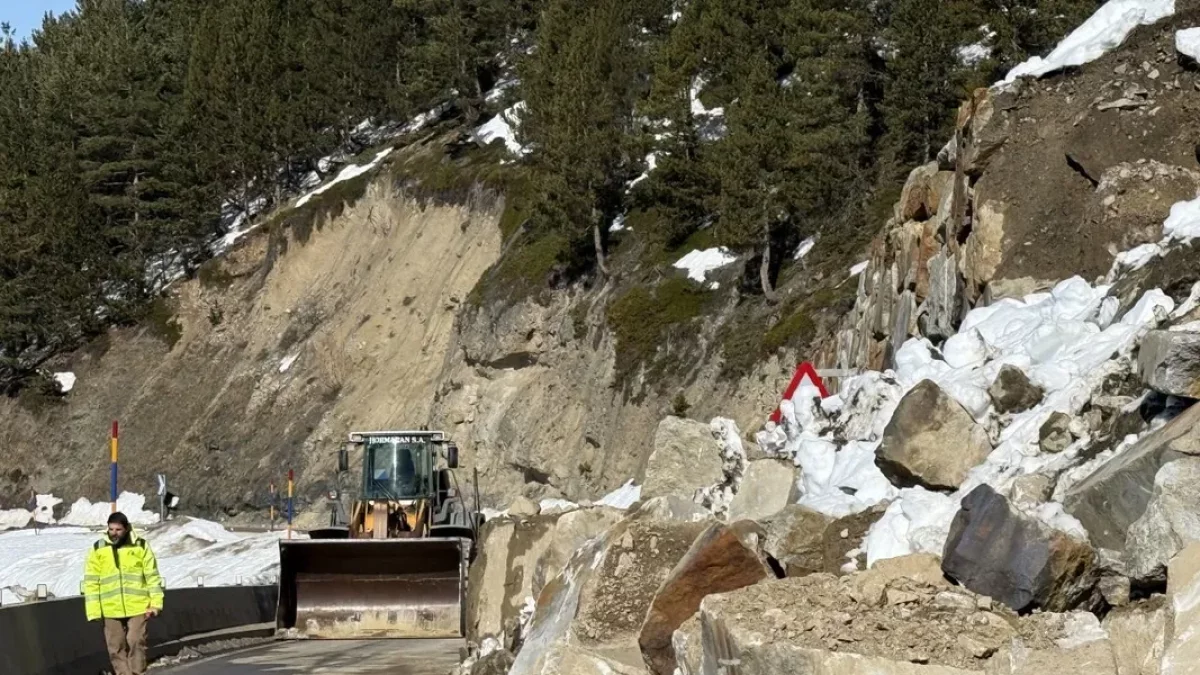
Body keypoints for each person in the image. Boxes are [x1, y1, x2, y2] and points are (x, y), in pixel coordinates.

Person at [83, 512, 164, 675]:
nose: (114, 533)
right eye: (111, 529)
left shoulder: (140, 546)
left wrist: (156, 604)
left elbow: (152, 576)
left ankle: (136, 672)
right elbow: (91, 581)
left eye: (118, 529)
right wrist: (94, 611)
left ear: (126, 529)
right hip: (110, 608)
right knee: (115, 646)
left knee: (136, 641)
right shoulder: (98, 549)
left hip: (138, 605)